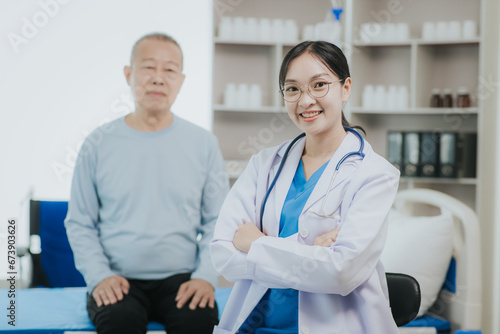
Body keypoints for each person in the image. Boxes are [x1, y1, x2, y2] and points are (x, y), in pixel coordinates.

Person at [210, 40, 401, 334]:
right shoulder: (265, 164)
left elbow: (341, 273)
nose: (305, 100)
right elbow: (223, 254)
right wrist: (307, 251)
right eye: (292, 89)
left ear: (346, 88)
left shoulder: (375, 174)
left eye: (319, 85)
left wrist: (256, 243)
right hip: (255, 325)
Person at [65, 33, 229, 334]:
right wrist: (100, 276)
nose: (158, 79)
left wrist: (205, 276)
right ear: (128, 74)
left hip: (182, 279)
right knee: (120, 322)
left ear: (181, 80)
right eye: (148, 68)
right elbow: (80, 222)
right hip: (117, 279)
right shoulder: (98, 143)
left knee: (198, 321)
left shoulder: (203, 143)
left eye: (169, 70)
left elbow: (218, 221)